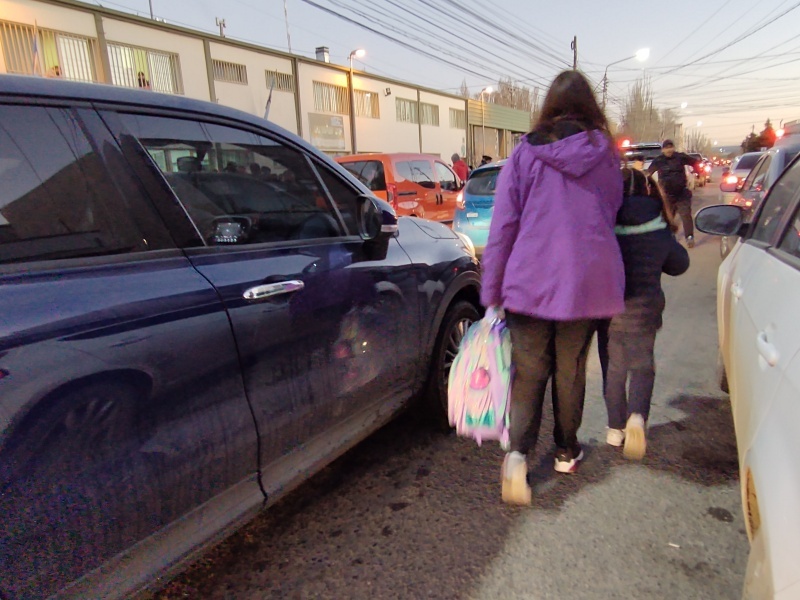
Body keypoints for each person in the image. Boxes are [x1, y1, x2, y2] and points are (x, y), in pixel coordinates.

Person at [480, 70, 625, 506]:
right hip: (583, 284)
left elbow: (503, 224)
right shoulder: (606, 154)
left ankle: (517, 459)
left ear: (549, 105)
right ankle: (566, 450)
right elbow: (610, 209)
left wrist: (491, 292)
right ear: (590, 106)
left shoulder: (525, 153)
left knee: (528, 373)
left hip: (529, 281)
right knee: (571, 369)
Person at [598, 168, 690, 459]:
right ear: (650, 191)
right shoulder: (657, 224)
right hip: (646, 310)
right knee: (642, 366)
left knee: (615, 368)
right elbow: (679, 264)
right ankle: (637, 418)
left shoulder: (604, 221)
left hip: (611, 310)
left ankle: (615, 429)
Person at [647, 140, 699, 248]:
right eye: (666, 148)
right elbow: (649, 173)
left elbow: (695, 163)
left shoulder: (680, 157)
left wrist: (696, 173)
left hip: (681, 194)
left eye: (671, 147)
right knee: (667, 218)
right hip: (667, 195)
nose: (669, 150)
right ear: (663, 150)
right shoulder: (658, 160)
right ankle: (668, 237)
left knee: (686, 215)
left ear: (674, 148)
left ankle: (689, 237)